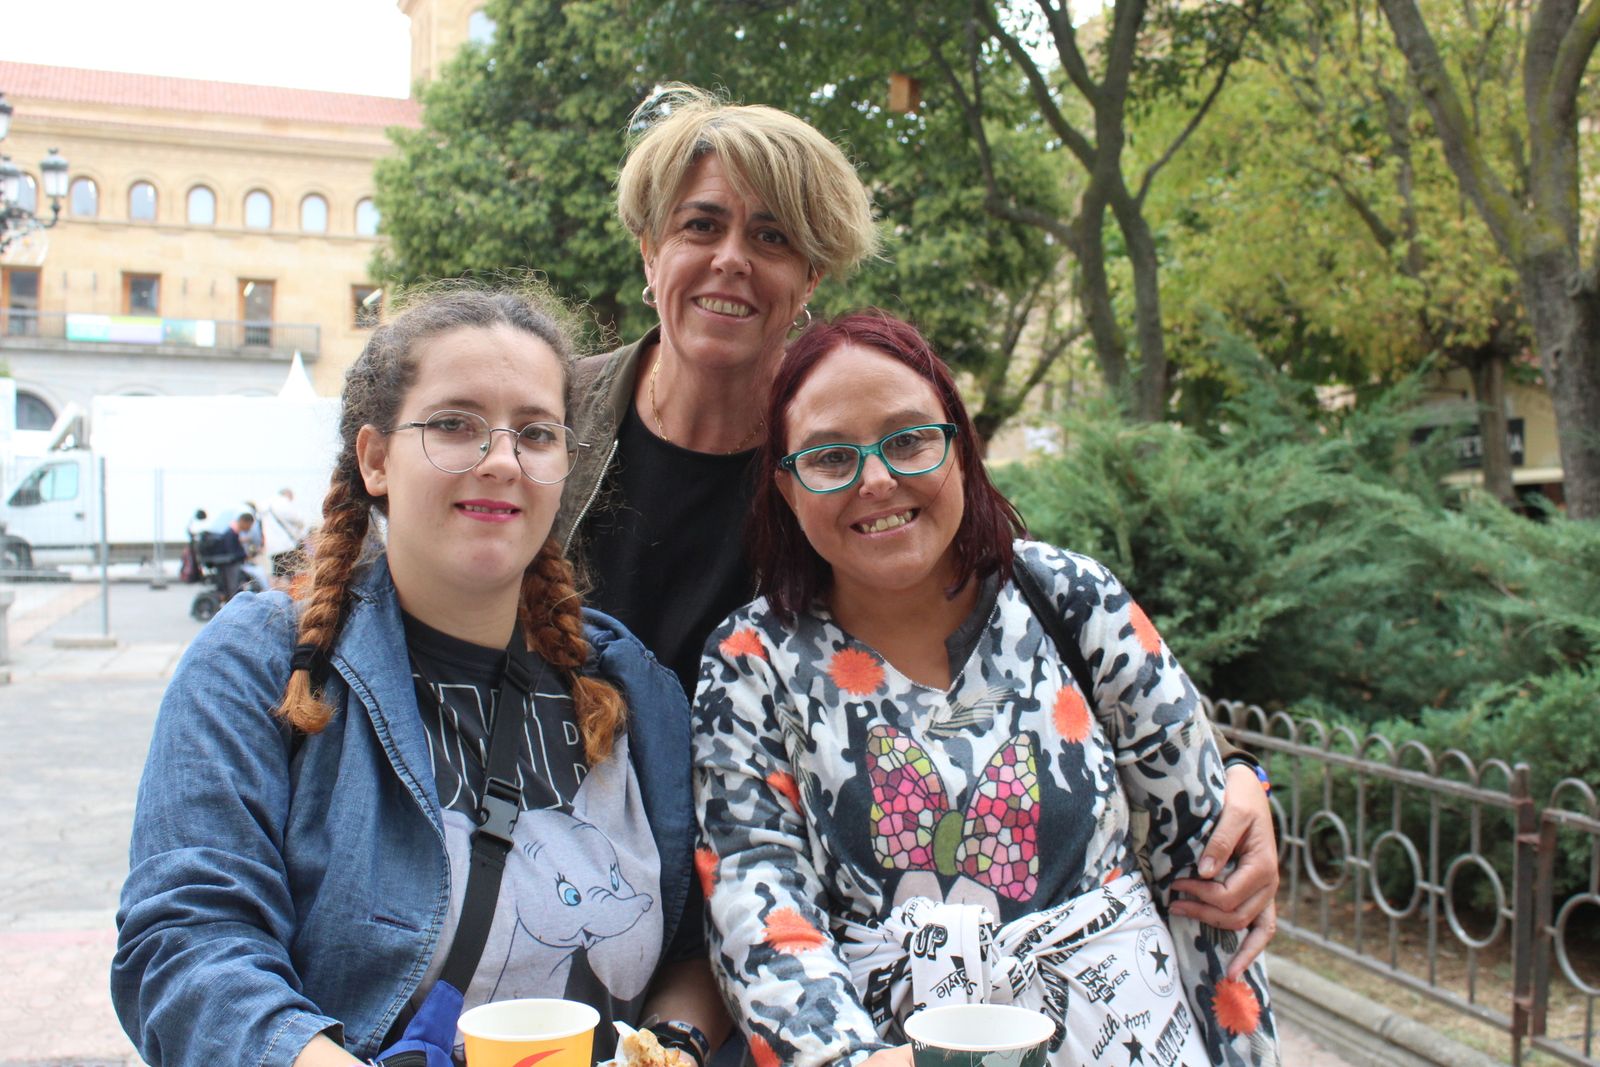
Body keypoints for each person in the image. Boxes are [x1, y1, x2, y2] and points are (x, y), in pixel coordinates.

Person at [557, 85, 1278, 966]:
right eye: (701, 226)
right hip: (556, 895)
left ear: (811, 278)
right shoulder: (551, 419)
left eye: (773, 236)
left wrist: (1236, 771)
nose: (732, 259)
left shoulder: (848, 457)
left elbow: (1010, 607)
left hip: (759, 930)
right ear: (649, 247)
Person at [112, 287, 723, 1067]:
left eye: (534, 433)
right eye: (454, 424)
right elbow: (187, 942)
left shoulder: (633, 685)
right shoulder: (262, 661)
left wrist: (672, 1046)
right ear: (374, 457)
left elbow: (699, 942)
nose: (501, 459)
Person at [692, 311, 1281, 1067]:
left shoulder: (1073, 600)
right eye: (832, 456)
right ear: (786, 485)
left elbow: (1208, 869)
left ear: (960, 446)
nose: (877, 480)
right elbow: (758, 908)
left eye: (908, 440)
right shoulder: (751, 661)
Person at [261, 486, 310, 587]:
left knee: (277, 574)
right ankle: (287, 597)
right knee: (288, 574)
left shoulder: (266, 505)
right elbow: (298, 519)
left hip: (272, 547)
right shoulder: (283, 503)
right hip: (286, 545)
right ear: (288, 495)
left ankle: (276, 596)